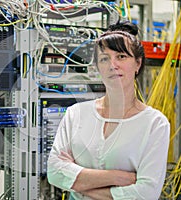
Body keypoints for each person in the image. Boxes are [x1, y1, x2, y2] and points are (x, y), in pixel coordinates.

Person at [47, 21, 170, 200]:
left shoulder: (155, 123)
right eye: (105, 58)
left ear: (138, 64)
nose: (113, 65)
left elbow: (146, 193)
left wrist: (81, 186)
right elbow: (54, 171)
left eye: (121, 56)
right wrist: (117, 177)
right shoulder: (76, 114)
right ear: (98, 67)